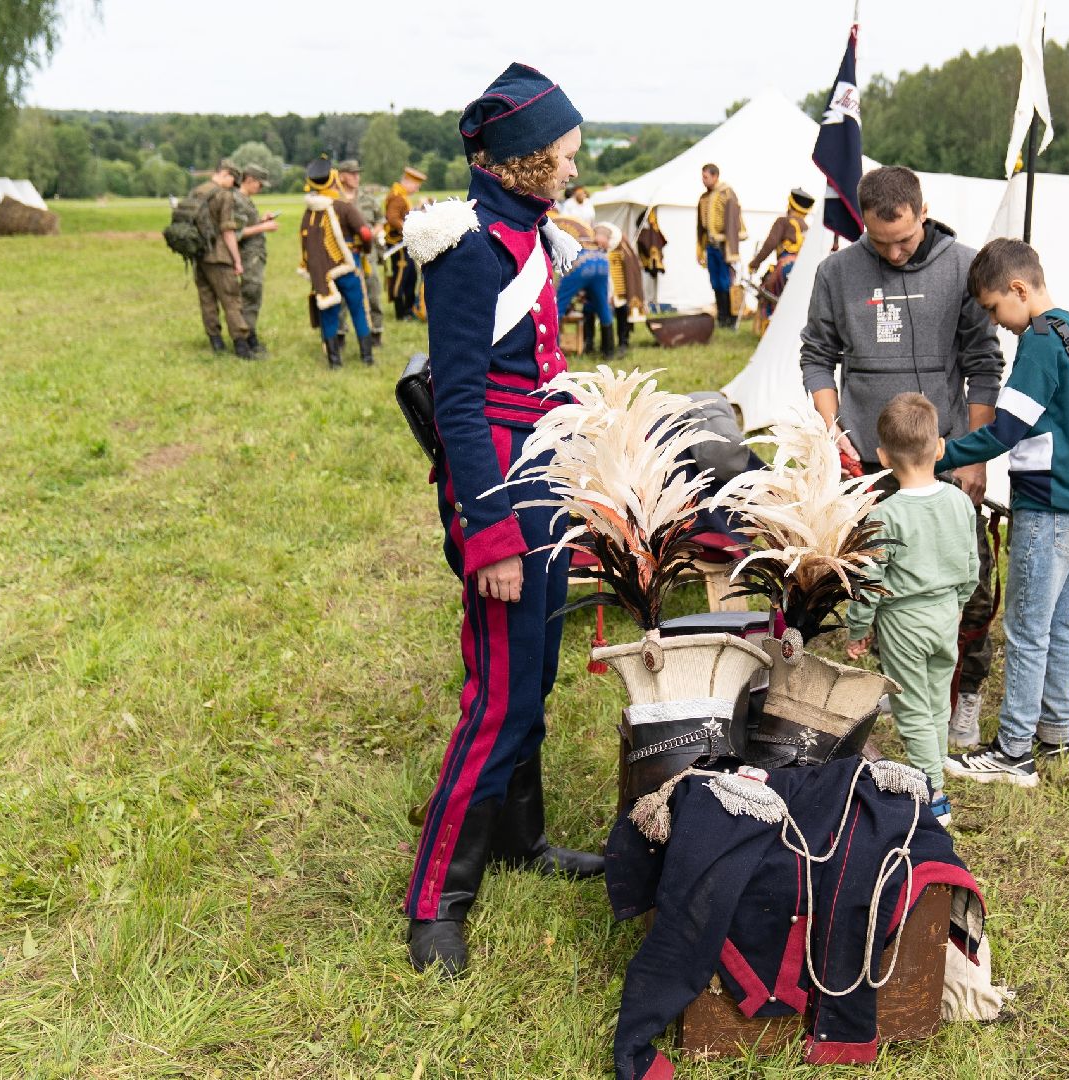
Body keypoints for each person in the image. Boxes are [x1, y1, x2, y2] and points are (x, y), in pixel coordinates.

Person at [400, 61, 602, 978]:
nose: (572, 164)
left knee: (534, 681)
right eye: (562, 152)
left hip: (544, 475)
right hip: (501, 492)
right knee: (497, 702)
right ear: (522, 160)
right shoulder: (471, 248)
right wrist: (489, 534)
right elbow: (464, 399)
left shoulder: (527, 234)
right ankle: (437, 898)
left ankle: (523, 841)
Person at [798, 165, 1004, 751]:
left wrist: (975, 455)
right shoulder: (836, 272)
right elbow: (817, 355)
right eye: (879, 241)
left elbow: (984, 363)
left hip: (945, 454)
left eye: (905, 241)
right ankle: (893, 684)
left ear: (922, 211)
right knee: (878, 579)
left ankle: (964, 691)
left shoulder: (963, 266)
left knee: (967, 582)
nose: (892, 252)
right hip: (868, 459)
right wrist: (830, 430)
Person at [939, 238, 1069, 787]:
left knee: (1025, 627)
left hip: (1048, 502)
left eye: (996, 309)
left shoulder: (1039, 340)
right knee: (1060, 624)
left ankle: (1014, 751)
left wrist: (941, 454)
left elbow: (1005, 429)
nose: (998, 323)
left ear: (1019, 290)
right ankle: (1054, 738)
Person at [844, 392, 978, 827]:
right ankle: (937, 756)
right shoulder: (960, 501)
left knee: (912, 707)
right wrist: (957, 605)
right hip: (945, 617)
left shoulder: (884, 515)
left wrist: (857, 629)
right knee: (938, 697)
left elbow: (869, 581)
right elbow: (972, 565)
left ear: (883, 457)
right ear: (939, 447)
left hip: (904, 622)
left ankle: (933, 793)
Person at [298, 156, 376, 367]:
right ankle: (367, 358)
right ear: (334, 181)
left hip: (323, 272)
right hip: (348, 267)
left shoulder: (309, 212)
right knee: (358, 310)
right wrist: (365, 250)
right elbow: (366, 233)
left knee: (329, 315)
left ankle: (334, 362)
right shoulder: (343, 207)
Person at [189, 159, 255, 359]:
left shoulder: (196, 191)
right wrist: (237, 260)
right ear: (226, 174)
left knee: (207, 299)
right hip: (219, 256)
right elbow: (228, 232)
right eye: (233, 181)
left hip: (198, 254)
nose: (233, 187)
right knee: (232, 300)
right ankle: (241, 345)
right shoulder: (223, 196)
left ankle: (216, 342)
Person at [746, 187, 815, 333]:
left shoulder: (782, 221)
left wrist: (754, 263)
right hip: (804, 268)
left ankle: (769, 333)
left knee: (767, 292)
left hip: (785, 266)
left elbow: (769, 244)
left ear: (790, 204)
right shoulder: (806, 226)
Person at [335, 160, 385, 347]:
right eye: (352, 173)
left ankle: (376, 333)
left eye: (358, 173)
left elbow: (381, 219)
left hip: (367, 253)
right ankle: (339, 334)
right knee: (342, 295)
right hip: (344, 254)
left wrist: (375, 231)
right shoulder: (335, 197)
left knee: (373, 292)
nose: (357, 177)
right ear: (342, 176)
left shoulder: (367, 197)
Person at [231, 164, 279, 358]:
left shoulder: (245, 200)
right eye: (259, 184)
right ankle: (246, 339)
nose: (260, 188)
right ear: (249, 180)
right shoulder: (238, 201)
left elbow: (246, 225)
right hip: (247, 258)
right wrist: (264, 227)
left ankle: (250, 335)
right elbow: (236, 233)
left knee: (253, 297)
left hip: (254, 257)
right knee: (250, 296)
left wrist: (260, 220)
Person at [696, 163, 745, 328]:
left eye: (706, 177)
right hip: (710, 246)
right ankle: (721, 317)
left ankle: (729, 318)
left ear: (715, 176)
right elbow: (700, 226)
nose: (703, 180)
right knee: (715, 281)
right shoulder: (704, 198)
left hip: (724, 245)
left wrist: (731, 244)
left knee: (725, 282)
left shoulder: (727, 193)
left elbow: (733, 219)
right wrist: (700, 248)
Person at [556, 227, 614, 359]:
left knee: (557, 306)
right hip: (601, 261)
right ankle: (608, 351)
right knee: (602, 307)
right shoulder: (589, 230)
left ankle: (555, 349)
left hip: (579, 261)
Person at [385, 165, 426, 321]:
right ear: (407, 182)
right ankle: (400, 313)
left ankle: (408, 309)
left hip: (403, 242)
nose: (417, 189)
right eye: (416, 185)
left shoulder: (401, 195)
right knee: (401, 278)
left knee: (411, 277)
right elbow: (392, 218)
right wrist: (408, 228)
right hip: (397, 245)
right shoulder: (397, 196)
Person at [598, 221, 643, 358]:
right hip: (604, 289)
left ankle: (623, 342)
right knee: (605, 316)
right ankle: (605, 345)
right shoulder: (597, 248)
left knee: (622, 313)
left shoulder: (621, 244)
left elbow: (631, 270)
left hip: (620, 288)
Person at [635, 204, 666, 311]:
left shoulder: (654, 228)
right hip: (646, 262)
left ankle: (655, 302)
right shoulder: (643, 231)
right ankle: (646, 303)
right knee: (646, 282)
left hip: (655, 261)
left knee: (654, 281)